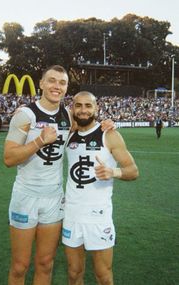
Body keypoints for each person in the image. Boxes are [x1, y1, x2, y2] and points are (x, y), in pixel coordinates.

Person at [4, 65, 114, 285]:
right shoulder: (26, 115)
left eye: (62, 83)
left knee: (46, 263)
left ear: (66, 88)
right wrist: (39, 141)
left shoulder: (68, 116)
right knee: (20, 266)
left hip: (54, 198)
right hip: (25, 196)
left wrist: (107, 123)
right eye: (52, 81)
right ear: (42, 83)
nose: (57, 86)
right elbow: (8, 158)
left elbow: (87, 121)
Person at [62, 91, 139, 285]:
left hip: (99, 216)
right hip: (71, 215)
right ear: (72, 108)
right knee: (73, 273)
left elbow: (133, 170)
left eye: (88, 106)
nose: (83, 110)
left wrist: (113, 172)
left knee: (103, 276)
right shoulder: (68, 135)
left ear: (96, 108)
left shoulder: (110, 135)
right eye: (78, 105)